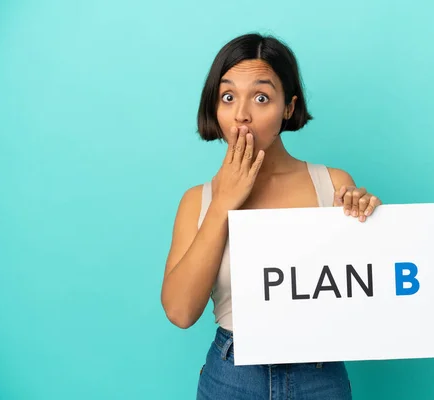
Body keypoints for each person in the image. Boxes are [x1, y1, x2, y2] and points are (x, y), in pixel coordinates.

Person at [161, 32, 383, 400]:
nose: (242, 114)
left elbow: (359, 293)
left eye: (261, 97)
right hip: (232, 374)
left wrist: (365, 221)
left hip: (319, 374)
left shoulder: (332, 184)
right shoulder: (197, 201)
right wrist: (223, 203)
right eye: (228, 97)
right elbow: (181, 312)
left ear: (289, 107)